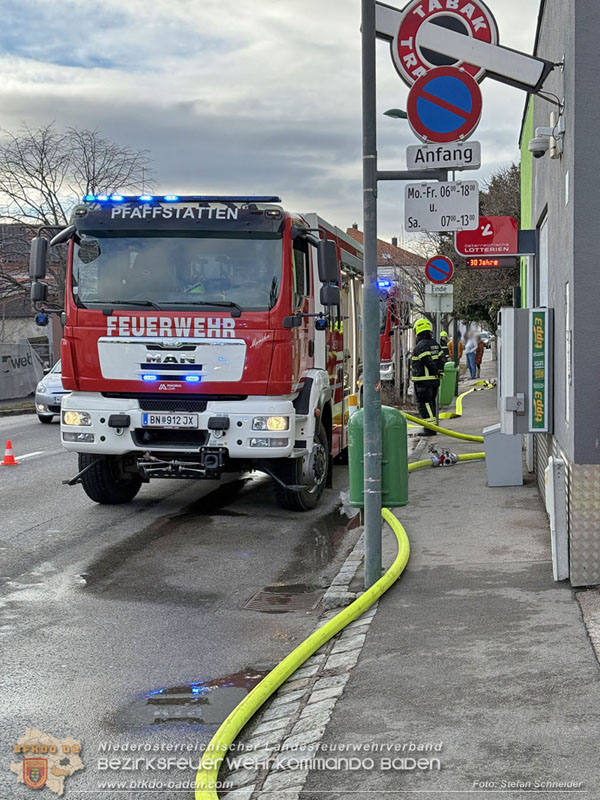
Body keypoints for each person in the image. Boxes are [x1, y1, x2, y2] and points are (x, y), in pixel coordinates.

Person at [411, 317, 446, 435]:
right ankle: (432, 427)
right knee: (430, 403)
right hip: (433, 381)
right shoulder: (435, 344)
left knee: (424, 405)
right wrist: (439, 371)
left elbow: (427, 360)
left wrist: (435, 371)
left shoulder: (421, 346)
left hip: (423, 381)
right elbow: (442, 358)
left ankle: (430, 429)